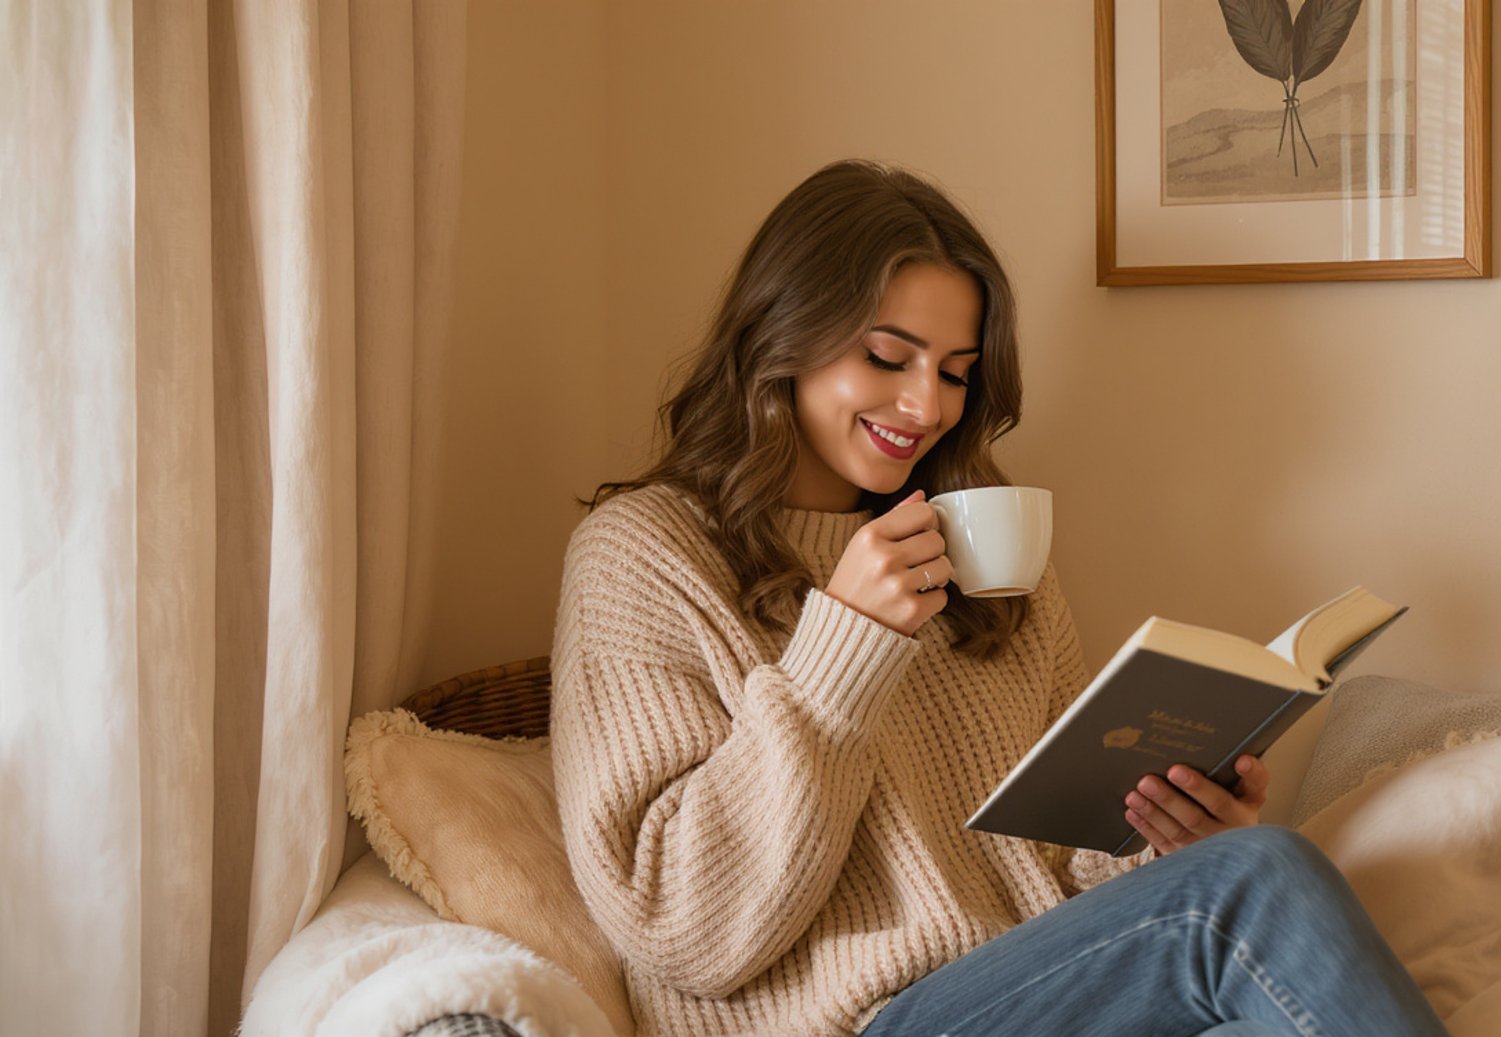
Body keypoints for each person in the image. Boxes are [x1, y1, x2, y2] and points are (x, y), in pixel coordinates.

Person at [549, 159, 1445, 1037]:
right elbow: (680, 930)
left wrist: (1169, 842)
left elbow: (1059, 869)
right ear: (782, 335)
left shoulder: (984, 555)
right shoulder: (645, 555)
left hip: (1041, 990)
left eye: (954, 371)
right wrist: (841, 650)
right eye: (889, 356)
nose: (924, 404)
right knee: (1256, 880)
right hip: (867, 1019)